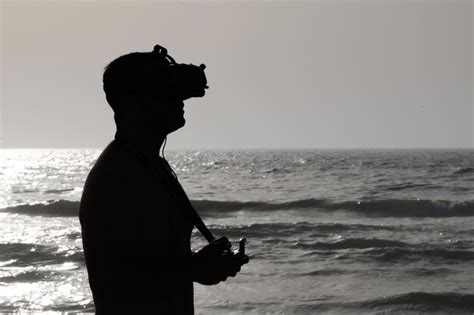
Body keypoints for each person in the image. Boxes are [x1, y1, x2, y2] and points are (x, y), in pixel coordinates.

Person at [79, 45, 249, 314]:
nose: (179, 99)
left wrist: (199, 267)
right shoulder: (118, 175)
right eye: (164, 91)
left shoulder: (148, 164)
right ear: (135, 101)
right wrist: (194, 269)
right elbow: (116, 278)